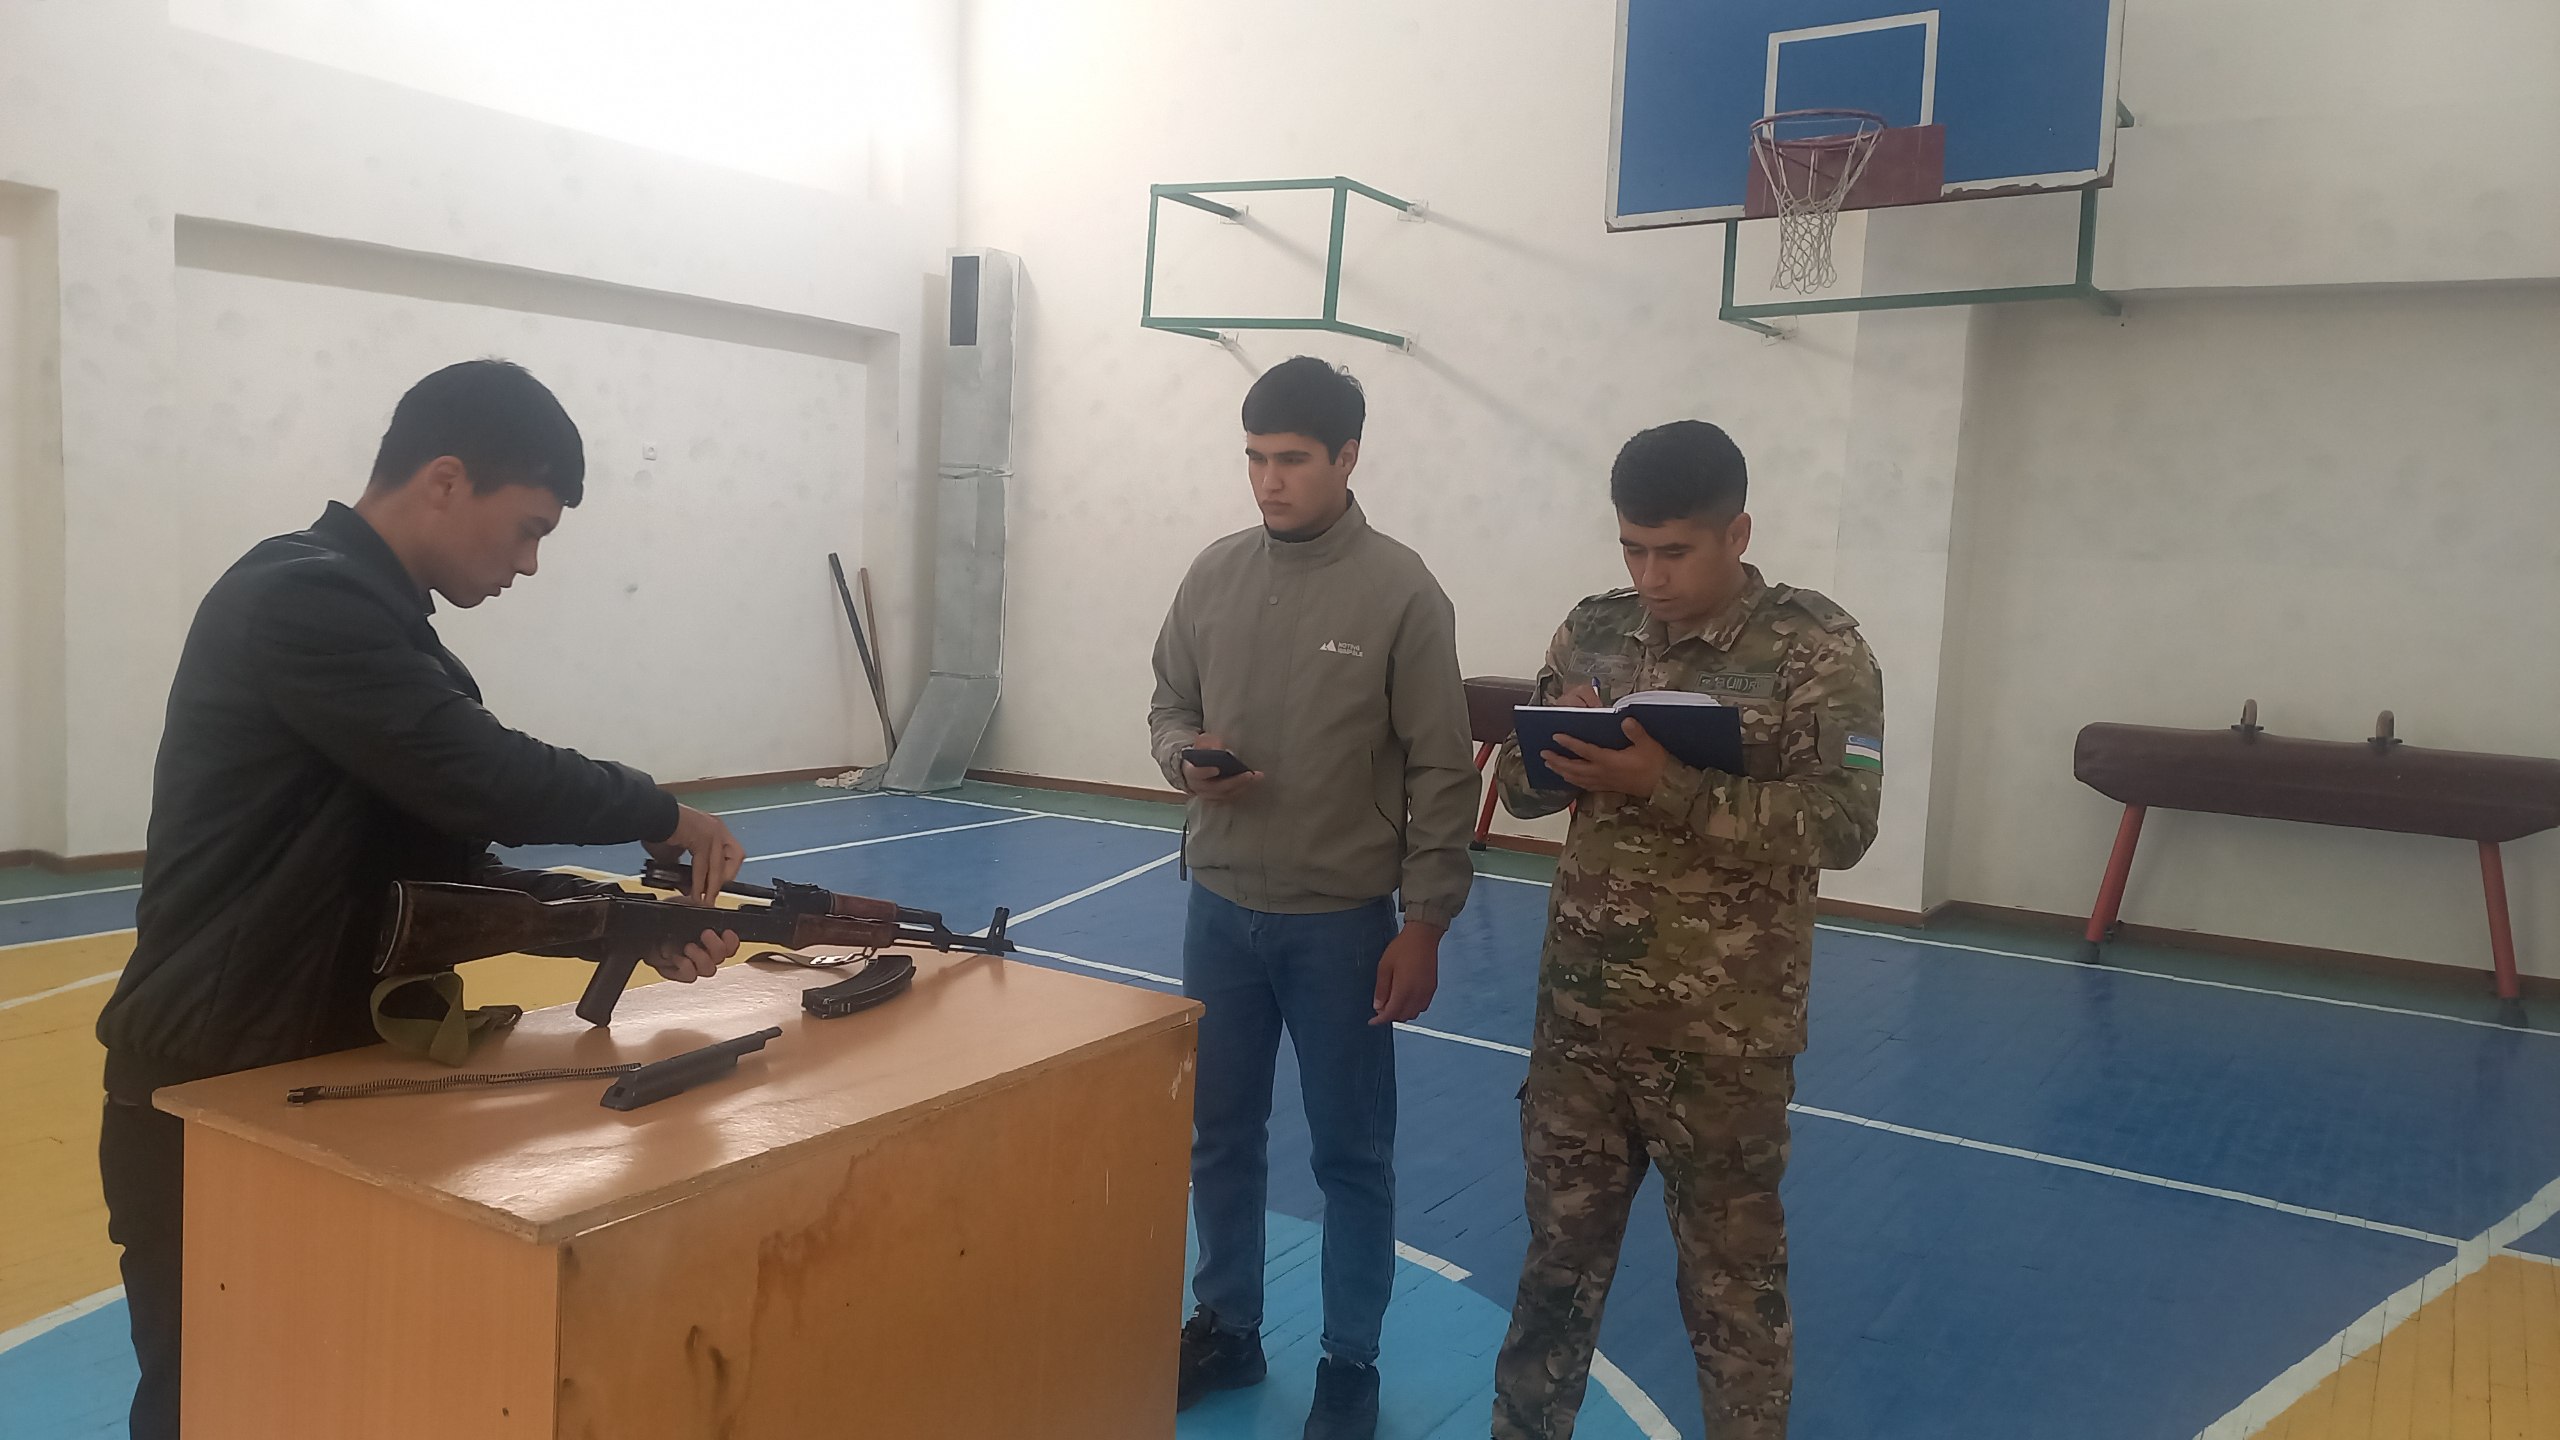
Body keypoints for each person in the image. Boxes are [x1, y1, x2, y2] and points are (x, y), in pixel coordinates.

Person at [92, 359, 748, 1440]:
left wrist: (632, 926)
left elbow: (440, 885)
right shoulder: (299, 598)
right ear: (445, 480)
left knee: (325, 1396)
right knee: (210, 1403)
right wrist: (659, 811)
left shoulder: (392, 635)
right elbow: (482, 775)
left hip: (321, 1079)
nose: (529, 564)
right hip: (208, 1089)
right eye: (527, 529)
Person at [1487, 420, 1884, 1440]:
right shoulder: (1593, 631)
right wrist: (1558, 744)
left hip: (1722, 1043)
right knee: (1554, 1272)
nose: (1650, 576)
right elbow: (1519, 789)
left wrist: (1665, 783)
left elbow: (1844, 826)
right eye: (1633, 549)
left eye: (1674, 551)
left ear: (1737, 534)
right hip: (1581, 1024)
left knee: (1732, 1290)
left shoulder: (1818, 650)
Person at [1147, 356, 1479, 1440]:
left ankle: (1349, 1363)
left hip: (1342, 926)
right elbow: (1168, 703)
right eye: (1254, 458)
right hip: (1219, 911)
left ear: (1347, 457)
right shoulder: (1211, 575)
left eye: (1291, 459)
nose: (1268, 481)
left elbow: (1442, 770)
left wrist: (1425, 923)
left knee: (1350, 1155)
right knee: (1218, 1135)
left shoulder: (1402, 592)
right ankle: (1228, 1328)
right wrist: (1185, 760)